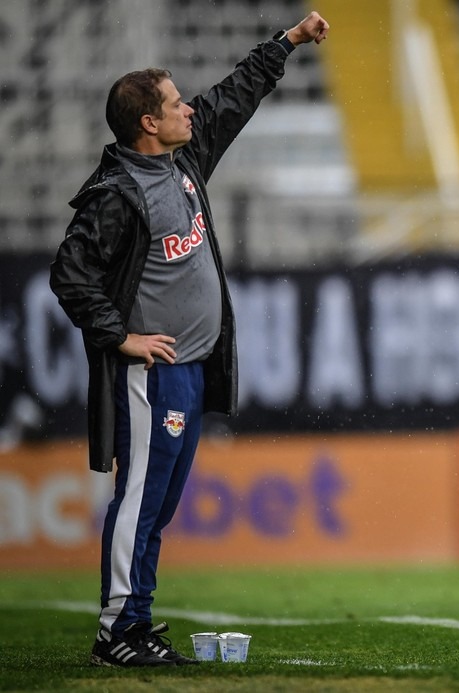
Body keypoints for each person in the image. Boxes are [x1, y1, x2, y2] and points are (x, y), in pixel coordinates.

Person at [49, 11, 329, 668]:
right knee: (140, 498)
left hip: (192, 366)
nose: (189, 111)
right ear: (148, 122)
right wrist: (120, 337)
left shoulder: (183, 161)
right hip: (153, 373)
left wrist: (286, 41)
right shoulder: (117, 193)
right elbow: (70, 271)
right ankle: (117, 628)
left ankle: (136, 621)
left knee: (160, 502)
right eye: (176, 104)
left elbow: (232, 96)